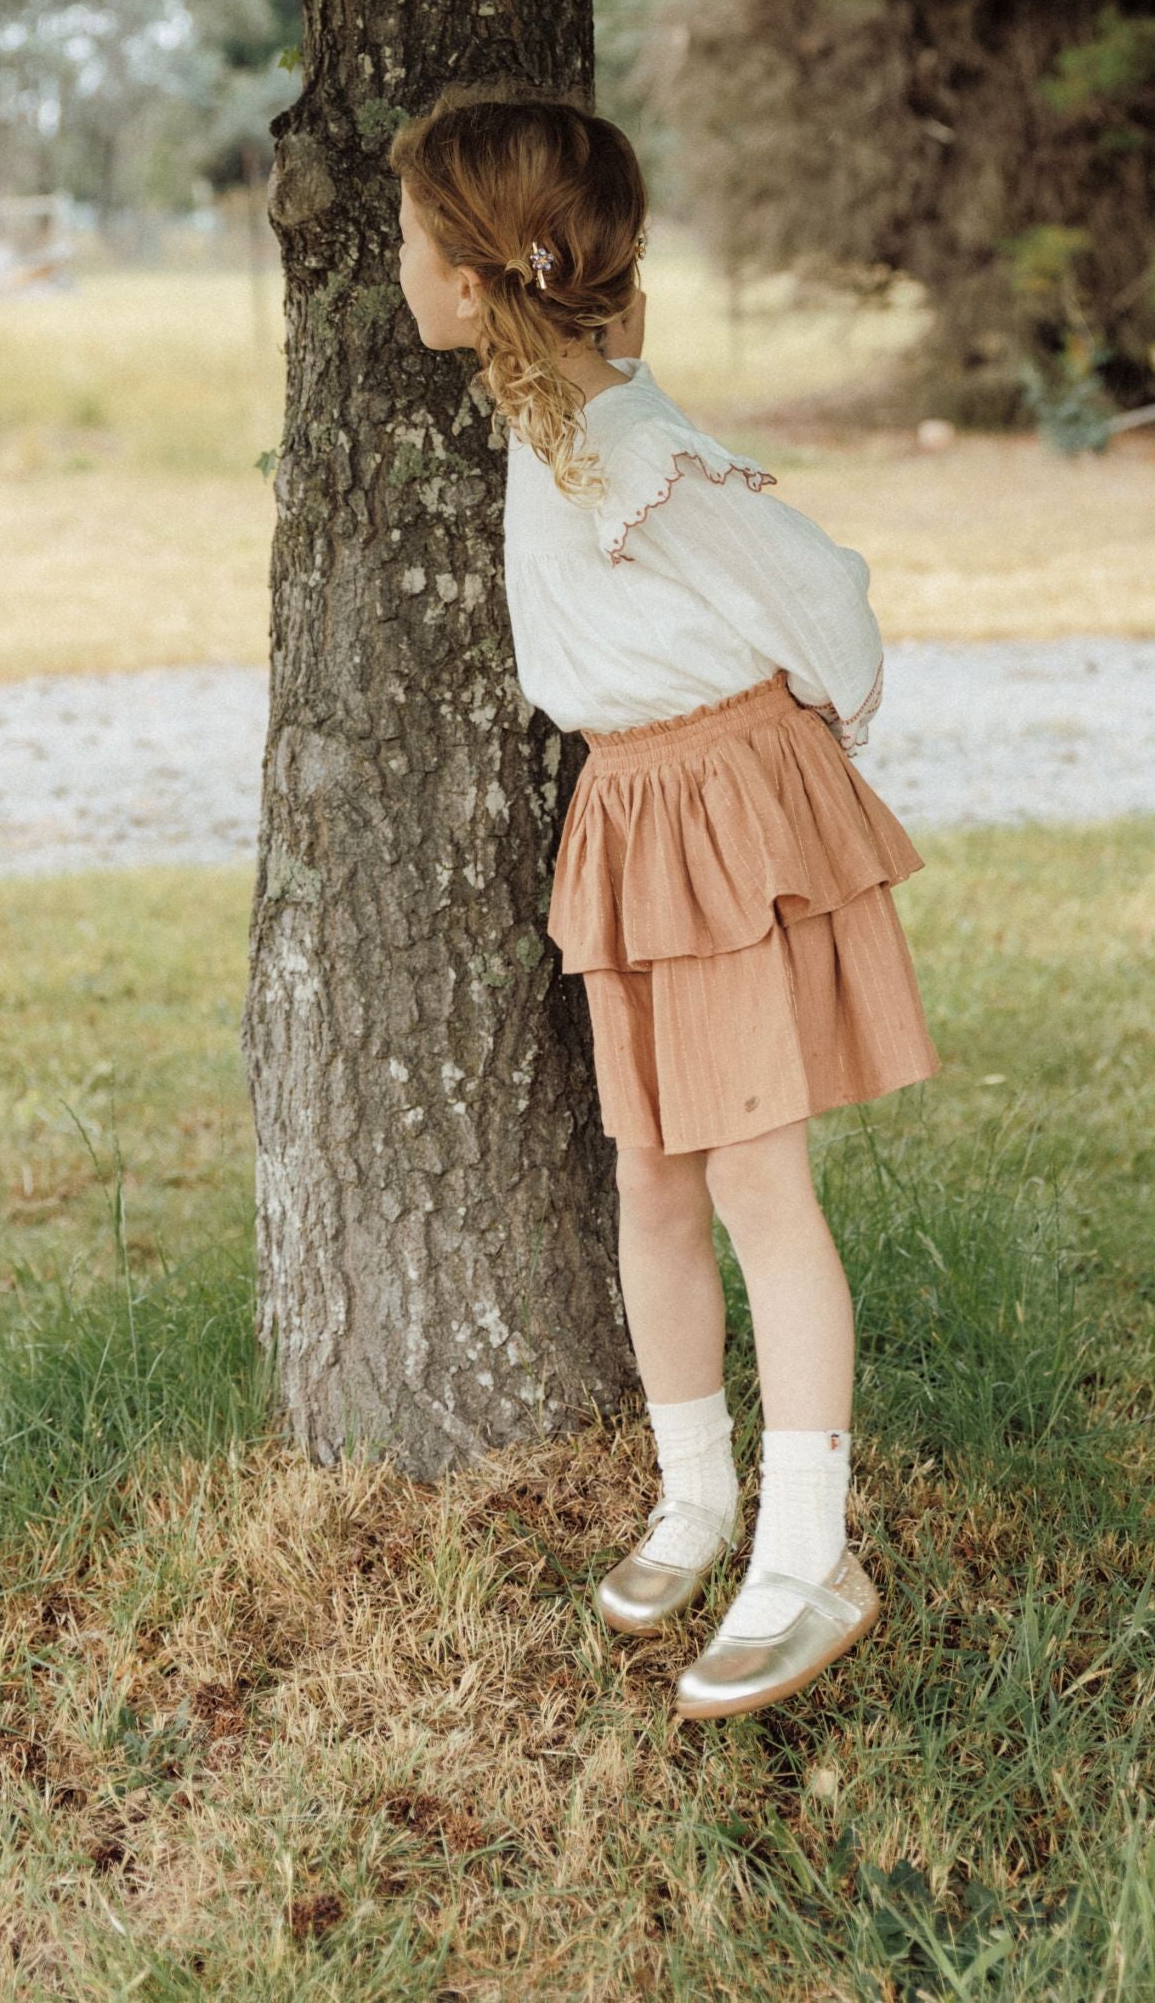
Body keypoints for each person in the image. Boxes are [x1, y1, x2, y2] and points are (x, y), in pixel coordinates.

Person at [390, 85, 939, 1719]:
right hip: (629, 813)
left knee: (762, 1186)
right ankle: (698, 1492)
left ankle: (810, 1549)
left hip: (717, 811)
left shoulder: (639, 448)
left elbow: (825, 603)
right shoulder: (547, 416)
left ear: (481, 278)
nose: (399, 270)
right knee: (654, 1176)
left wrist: (785, 767)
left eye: (417, 245)